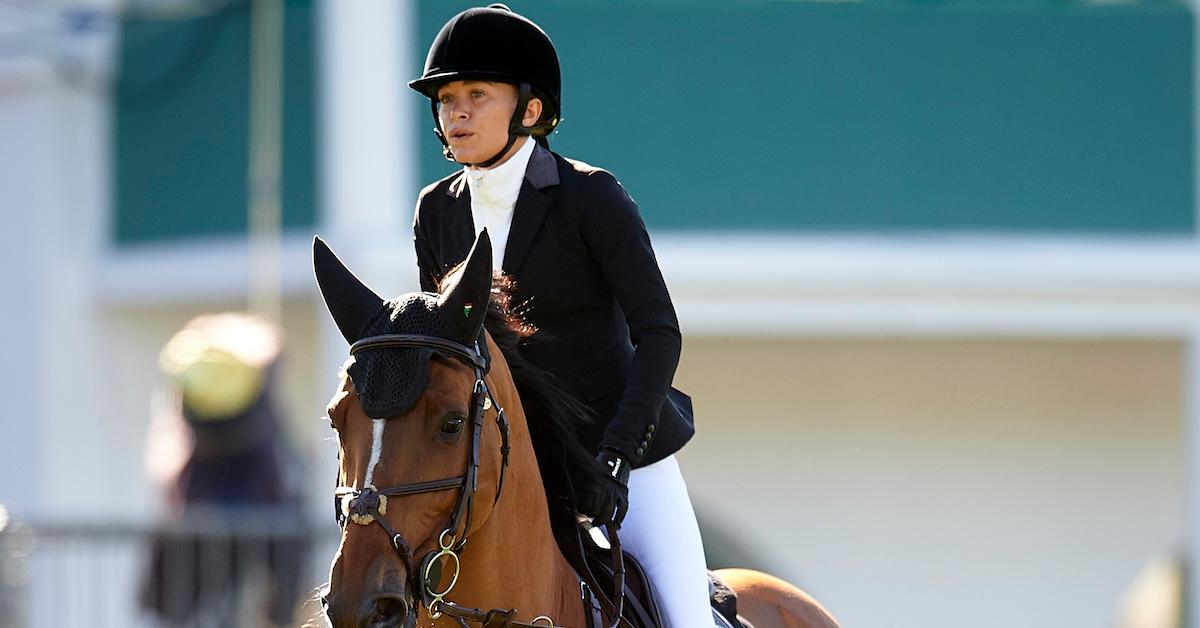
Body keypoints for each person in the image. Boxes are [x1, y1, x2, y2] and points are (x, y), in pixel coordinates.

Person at [408, 5, 710, 627]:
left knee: (688, 619)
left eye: (475, 95)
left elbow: (659, 333)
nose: (455, 112)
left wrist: (619, 455)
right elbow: (453, 357)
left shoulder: (590, 195)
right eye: (445, 98)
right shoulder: (436, 210)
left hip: (623, 458)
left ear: (531, 109)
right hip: (506, 466)